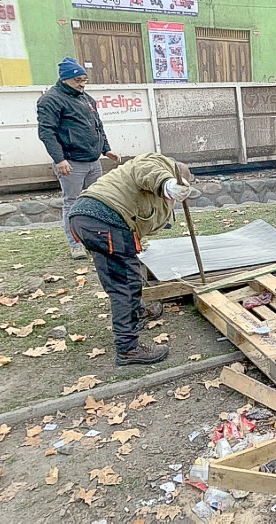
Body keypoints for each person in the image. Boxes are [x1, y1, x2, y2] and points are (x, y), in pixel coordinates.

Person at [68, 153, 192, 366]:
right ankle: (128, 349)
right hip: (104, 218)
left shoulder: (146, 186)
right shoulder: (155, 163)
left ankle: (138, 312)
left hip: (88, 218)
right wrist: (168, 183)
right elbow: (147, 172)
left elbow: (144, 211)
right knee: (124, 284)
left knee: (120, 275)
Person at [37, 57, 121, 260]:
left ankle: (96, 239)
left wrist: (106, 150)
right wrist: (59, 159)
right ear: (65, 79)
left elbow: (97, 126)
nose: (82, 84)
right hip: (70, 163)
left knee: (99, 200)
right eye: (78, 80)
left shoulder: (87, 99)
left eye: (85, 79)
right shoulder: (50, 100)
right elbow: (46, 132)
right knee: (72, 203)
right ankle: (75, 244)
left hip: (93, 161)